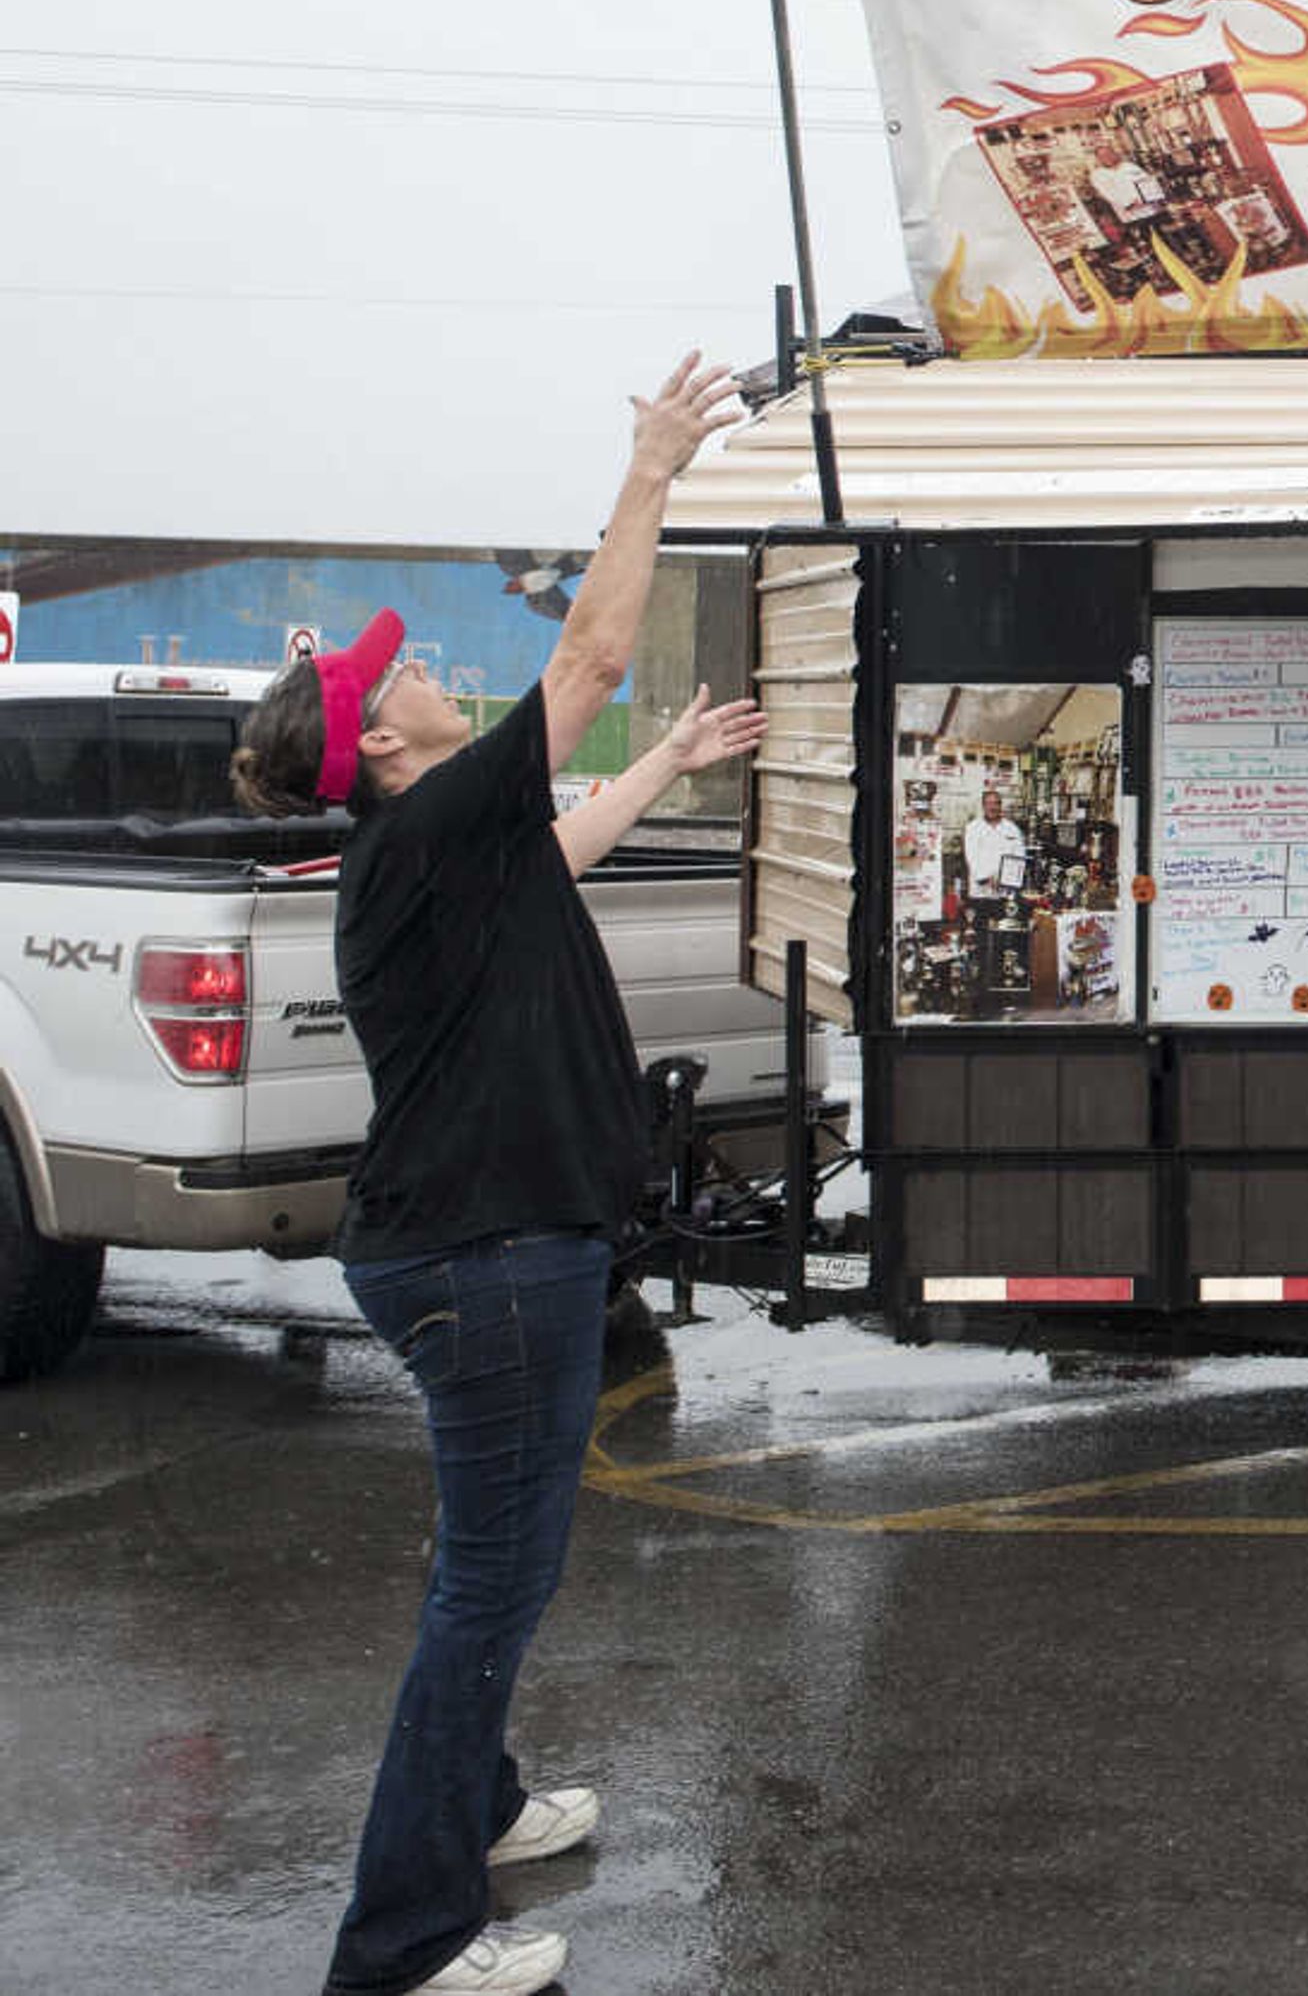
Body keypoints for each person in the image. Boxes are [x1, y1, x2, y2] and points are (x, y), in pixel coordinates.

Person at [230, 355, 765, 1993]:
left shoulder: (445, 844)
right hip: (484, 1260)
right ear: (384, 746)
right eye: (405, 680)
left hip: (470, 1250)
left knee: (493, 1568)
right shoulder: (423, 826)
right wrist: (656, 468)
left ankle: (489, 1801)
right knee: (491, 1585)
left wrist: (670, 759)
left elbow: (561, 844)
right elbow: (590, 647)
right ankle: (403, 1942)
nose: (433, 676)